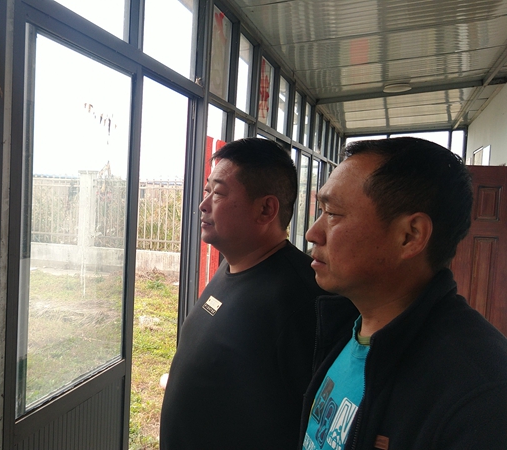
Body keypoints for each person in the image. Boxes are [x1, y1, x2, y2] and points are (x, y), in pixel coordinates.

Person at [300, 137, 507, 450]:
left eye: (333, 213)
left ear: (410, 236)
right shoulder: (346, 325)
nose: (312, 233)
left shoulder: (480, 397)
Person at [159, 138, 327, 449]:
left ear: (265, 209)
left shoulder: (303, 299)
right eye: (207, 190)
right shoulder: (232, 265)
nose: (203, 204)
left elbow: (316, 424)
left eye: (219, 193)